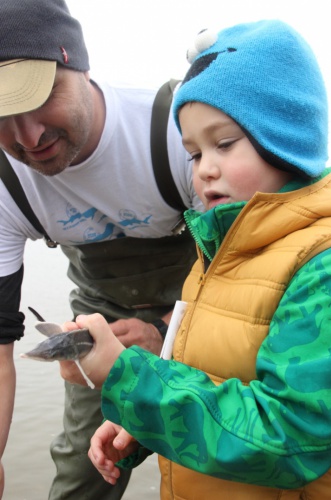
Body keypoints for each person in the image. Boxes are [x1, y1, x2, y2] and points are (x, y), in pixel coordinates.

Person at [60, 20, 331, 499]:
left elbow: (291, 438)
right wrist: (141, 422)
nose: (205, 168)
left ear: (285, 133)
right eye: (192, 152)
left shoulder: (321, 266)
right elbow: (205, 376)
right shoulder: (214, 254)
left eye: (224, 143)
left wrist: (129, 378)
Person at [0, 0, 203, 498]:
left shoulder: (184, 131)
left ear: (80, 64)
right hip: (98, 323)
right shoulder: (5, 185)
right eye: (1, 112)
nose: (28, 138)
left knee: (214, 452)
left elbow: (257, 285)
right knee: (85, 466)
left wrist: (165, 336)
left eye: (40, 96)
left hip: (210, 303)